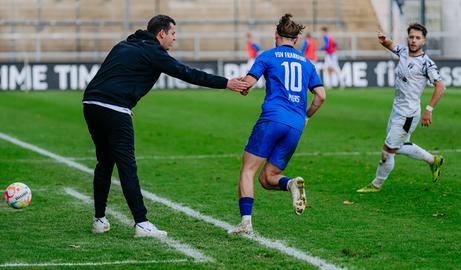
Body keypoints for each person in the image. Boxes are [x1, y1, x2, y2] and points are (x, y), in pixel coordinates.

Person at [82, 14, 248, 238]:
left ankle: (99, 219)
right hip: (113, 108)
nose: (174, 39)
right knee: (126, 166)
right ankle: (141, 223)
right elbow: (186, 73)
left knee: (105, 162)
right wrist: (225, 83)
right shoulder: (154, 52)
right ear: (161, 33)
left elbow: (112, 75)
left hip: (91, 104)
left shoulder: (123, 45)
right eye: (173, 34)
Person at [228, 14, 326, 235]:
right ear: (296, 40)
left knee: (248, 170)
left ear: (276, 36)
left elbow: (249, 83)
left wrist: (241, 86)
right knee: (268, 178)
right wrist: (306, 116)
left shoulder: (268, 56)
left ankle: (246, 223)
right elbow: (321, 96)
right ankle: (291, 184)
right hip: (295, 125)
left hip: (272, 119)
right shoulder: (306, 63)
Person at [357, 23, 445, 193]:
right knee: (400, 145)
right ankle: (433, 160)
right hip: (397, 108)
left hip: (408, 113)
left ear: (424, 40)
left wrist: (429, 109)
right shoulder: (404, 52)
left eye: (417, 38)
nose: (413, 40)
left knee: (388, 150)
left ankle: (376, 184)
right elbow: (392, 46)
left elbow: (440, 87)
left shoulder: (426, 64)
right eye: (411, 37)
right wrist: (384, 41)